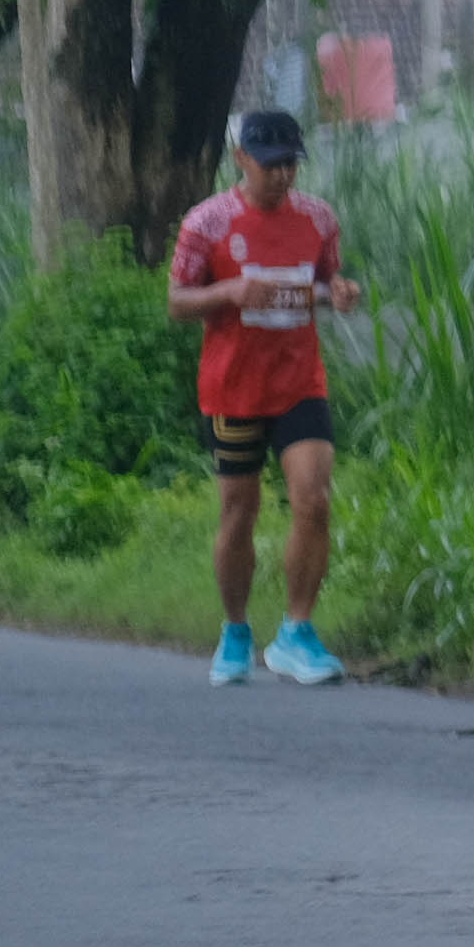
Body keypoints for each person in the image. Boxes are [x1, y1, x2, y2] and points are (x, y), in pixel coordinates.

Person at [168, 108, 365, 686]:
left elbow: (324, 283)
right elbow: (178, 301)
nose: (282, 176)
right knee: (240, 512)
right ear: (242, 159)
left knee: (314, 501)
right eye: (271, 165)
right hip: (233, 388)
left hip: (299, 383)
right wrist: (229, 290)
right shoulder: (207, 223)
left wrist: (340, 293)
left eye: (290, 165)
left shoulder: (318, 218)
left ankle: (296, 632)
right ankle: (235, 630)